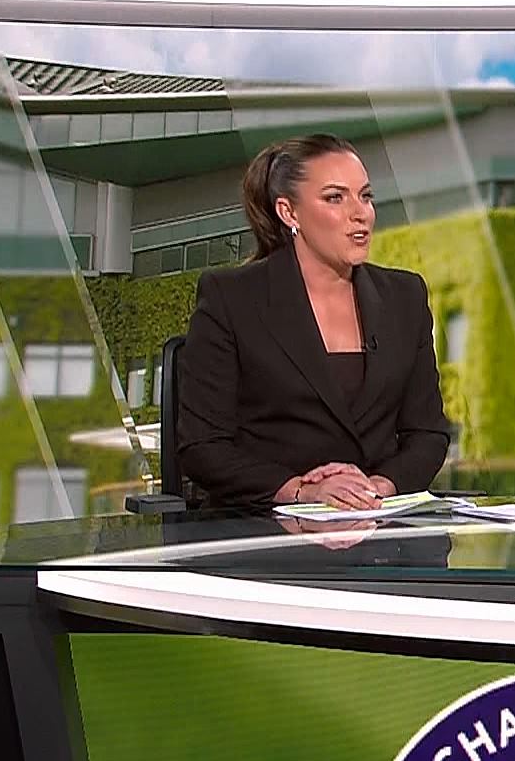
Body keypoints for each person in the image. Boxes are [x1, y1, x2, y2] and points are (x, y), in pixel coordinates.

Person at [177, 134, 450, 510]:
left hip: (379, 521)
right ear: (289, 213)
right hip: (267, 527)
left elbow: (428, 433)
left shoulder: (405, 296)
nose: (360, 213)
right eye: (335, 198)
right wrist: (300, 490)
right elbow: (202, 446)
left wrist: (376, 487)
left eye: (365, 196)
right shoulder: (232, 298)